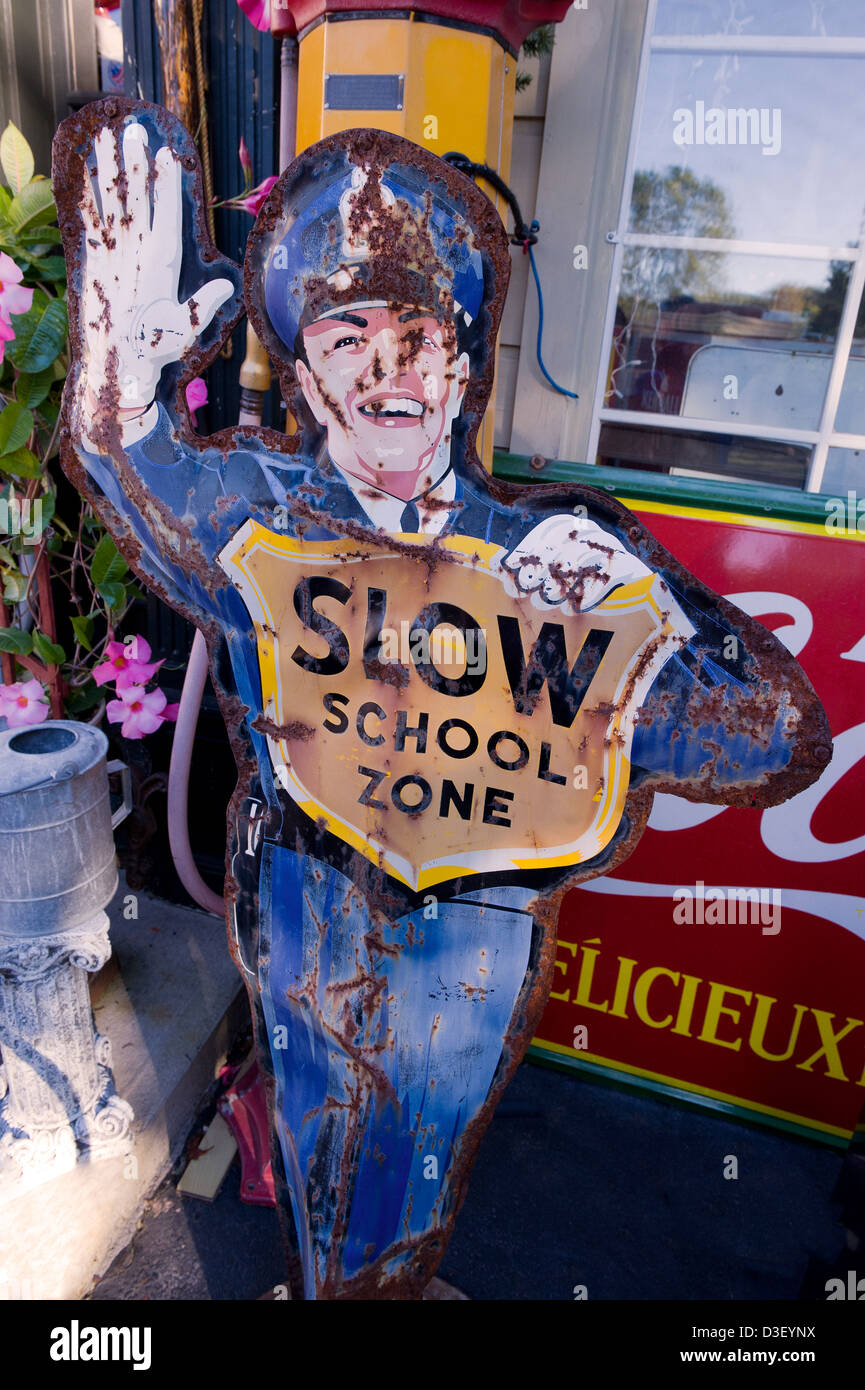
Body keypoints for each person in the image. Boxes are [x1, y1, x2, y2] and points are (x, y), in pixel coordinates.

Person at [54, 100, 830, 1299]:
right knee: (318, 1144)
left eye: (412, 334)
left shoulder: (546, 553)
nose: (384, 370)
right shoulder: (263, 508)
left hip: (471, 935)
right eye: (345, 337)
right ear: (306, 375)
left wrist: (634, 610)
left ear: (462, 360)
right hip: (302, 906)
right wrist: (118, 367)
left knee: (419, 1160)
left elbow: (770, 733)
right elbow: (124, 458)